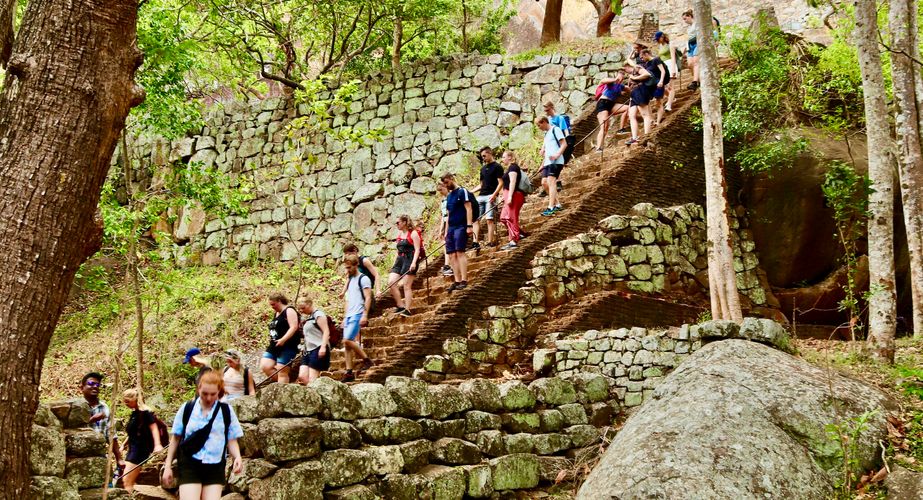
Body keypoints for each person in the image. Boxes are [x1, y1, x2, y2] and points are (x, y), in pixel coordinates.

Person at [162, 370, 243, 500]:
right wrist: (167, 466)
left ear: (219, 391)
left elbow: (231, 440)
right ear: (198, 389)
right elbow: (175, 439)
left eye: (213, 394)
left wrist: (237, 457)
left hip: (215, 466)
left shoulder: (226, 411)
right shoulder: (187, 408)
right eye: (205, 393)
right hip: (190, 463)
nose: (209, 398)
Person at [121, 388, 164, 492]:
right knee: (127, 480)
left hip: (140, 450)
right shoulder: (134, 414)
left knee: (127, 480)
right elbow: (133, 432)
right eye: (124, 402)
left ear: (134, 399)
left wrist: (157, 444)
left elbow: (154, 428)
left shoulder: (145, 413)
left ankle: (130, 495)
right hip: (132, 450)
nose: (126, 404)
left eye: (127, 401)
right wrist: (123, 444)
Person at [342, 254, 374, 382]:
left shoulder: (364, 279)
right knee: (347, 345)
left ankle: (366, 360)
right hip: (349, 314)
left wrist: (365, 314)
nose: (347, 270)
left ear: (356, 265)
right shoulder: (350, 280)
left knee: (347, 340)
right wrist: (345, 317)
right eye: (346, 267)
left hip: (358, 313)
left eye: (349, 267)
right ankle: (349, 371)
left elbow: (368, 297)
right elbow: (348, 299)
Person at [80, 372, 123, 467]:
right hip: (79, 457)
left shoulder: (104, 408)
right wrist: (91, 420)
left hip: (99, 456)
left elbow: (111, 434)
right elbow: (71, 430)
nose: (95, 387)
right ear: (82, 388)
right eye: (91, 384)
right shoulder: (76, 407)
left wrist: (119, 458)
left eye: (97, 385)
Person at [441, 173, 474, 291]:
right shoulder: (449, 196)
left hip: (461, 225)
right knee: (451, 254)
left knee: (460, 252)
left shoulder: (462, 191)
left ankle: (464, 279)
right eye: (444, 183)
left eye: (447, 182)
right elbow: (448, 215)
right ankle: (457, 280)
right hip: (451, 227)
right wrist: (446, 231)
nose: (446, 185)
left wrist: (469, 225)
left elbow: (468, 208)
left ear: (452, 179)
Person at [259, 293, 299, 384]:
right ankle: (285, 384)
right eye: (271, 305)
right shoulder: (277, 313)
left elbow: (294, 327)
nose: (272, 307)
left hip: (287, 345)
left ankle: (283, 386)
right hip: (274, 345)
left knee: (282, 370)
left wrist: (283, 339)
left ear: (279, 301)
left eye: (273, 304)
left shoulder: (289, 310)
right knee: (265, 366)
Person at [388, 215, 422, 317]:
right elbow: (398, 251)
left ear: (404, 222)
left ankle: (407, 309)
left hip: (410, 259)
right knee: (391, 282)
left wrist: (414, 262)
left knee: (406, 285)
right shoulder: (400, 234)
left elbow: (417, 249)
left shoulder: (413, 233)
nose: (397, 224)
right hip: (400, 260)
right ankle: (400, 305)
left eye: (398, 222)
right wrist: (394, 263)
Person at [472, 147, 504, 248]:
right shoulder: (482, 169)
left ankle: (490, 241)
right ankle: (475, 242)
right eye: (482, 156)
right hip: (481, 196)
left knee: (489, 219)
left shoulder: (497, 167)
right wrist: (471, 191)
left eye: (484, 156)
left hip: (491, 195)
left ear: (490, 153)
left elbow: (501, 183)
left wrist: (494, 195)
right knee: (475, 219)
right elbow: (481, 184)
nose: (483, 158)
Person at [296, 296, 331, 384]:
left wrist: (323, 347)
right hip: (308, 350)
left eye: (303, 308)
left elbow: (326, 331)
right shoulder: (308, 317)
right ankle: (313, 390)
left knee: (312, 377)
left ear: (309, 304)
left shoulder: (318, 315)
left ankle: (314, 390)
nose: (301, 311)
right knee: (302, 376)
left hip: (318, 347)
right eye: (300, 309)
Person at [536, 116, 566, 217]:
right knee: (544, 183)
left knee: (551, 182)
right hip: (548, 162)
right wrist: (542, 164)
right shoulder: (546, 134)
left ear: (544, 122)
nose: (539, 127)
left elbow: (564, 144)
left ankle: (550, 207)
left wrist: (557, 155)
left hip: (556, 161)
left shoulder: (555, 129)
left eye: (539, 125)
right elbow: (547, 149)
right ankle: (557, 204)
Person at [593, 72, 629, 152]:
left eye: (622, 78)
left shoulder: (620, 86)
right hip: (603, 103)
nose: (620, 79)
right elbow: (603, 80)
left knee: (627, 108)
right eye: (619, 77)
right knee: (604, 126)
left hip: (612, 105)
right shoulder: (611, 83)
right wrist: (615, 80)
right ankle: (598, 148)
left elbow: (628, 89)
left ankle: (621, 129)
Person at [499, 150, 525, 251]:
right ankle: (518, 232)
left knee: (510, 217)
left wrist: (509, 196)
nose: (502, 159)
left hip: (514, 195)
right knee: (503, 217)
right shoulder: (510, 168)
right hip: (509, 194)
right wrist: (504, 196)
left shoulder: (513, 167)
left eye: (504, 157)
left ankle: (513, 240)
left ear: (509, 157)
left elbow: (513, 182)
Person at [543, 102, 572, 193]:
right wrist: (543, 147)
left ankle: (557, 182)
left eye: (547, 110)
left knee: (557, 163)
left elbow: (565, 131)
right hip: (551, 145)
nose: (546, 112)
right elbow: (546, 135)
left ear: (552, 108)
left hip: (559, 144)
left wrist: (568, 141)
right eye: (545, 111)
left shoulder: (560, 118)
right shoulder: (548, 120)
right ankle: (552, 183)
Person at [625, 63, 654, 146]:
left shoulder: (637, 68)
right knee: (631, 115)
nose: (625, 71)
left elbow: (647, 74)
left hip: (640, 91)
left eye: (625, 69)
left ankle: (647, 136)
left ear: (627, 66)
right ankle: (634, 138)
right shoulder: (631, 74)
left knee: (645, 114)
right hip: (633, 94)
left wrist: (634, 78)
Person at [641, 48, 670, 127]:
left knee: (658, 103)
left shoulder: (656, 59)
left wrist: (661, 81)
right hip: (651, 85)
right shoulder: (647, 64)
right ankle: (652, 120)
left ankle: (658, 121)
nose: (642, 59)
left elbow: (663, 71)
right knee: (647, 102)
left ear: (646, 54)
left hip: (658, 84)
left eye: (642, 57)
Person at [653, 31, 677, 114]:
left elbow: (673, 57)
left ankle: (669, 105)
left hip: (670, 64)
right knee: (665, 86)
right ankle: (672, 98)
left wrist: (673, 69)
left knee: (670, 86)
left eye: (658, 39)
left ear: (662, 37)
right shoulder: (661, 46)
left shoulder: (670, 45)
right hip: (664, 66)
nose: (657, 41)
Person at [436, 182, 453, 276]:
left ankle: (449, 265)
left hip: (452, 222)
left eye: (441, 190)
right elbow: (443, 216)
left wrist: (446, 229)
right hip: (446, 222)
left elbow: (450, 213)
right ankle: (447, 264)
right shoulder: (443, 201)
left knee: (449, 244)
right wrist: (441, 230)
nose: (440, 192)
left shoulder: (452, 197)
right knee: (445, 244)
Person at [683, 10, 699, 90]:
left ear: (689, 16)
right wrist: (686, 48)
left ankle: (695, 82)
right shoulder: (688, 28)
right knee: (690, 64)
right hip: (690, 45)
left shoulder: (697, 24)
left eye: (685, 19)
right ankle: (697, 78)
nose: (684, 21)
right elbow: (688, 38)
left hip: (697, 43)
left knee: (696, 62)